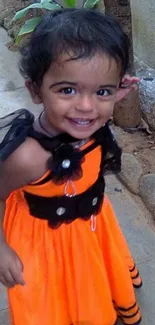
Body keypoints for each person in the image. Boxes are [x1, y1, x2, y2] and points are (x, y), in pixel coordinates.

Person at [0, 8, 142, 325]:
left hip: (91, 224)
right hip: (44, 243)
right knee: (53, 299)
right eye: (68, 90)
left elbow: (89, 99)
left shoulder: (86, 117)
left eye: (102, 91)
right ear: (35, 90)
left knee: (90, 279)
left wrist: (114, 95)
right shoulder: (28, 157)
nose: (87, 107)